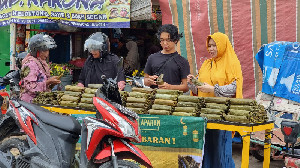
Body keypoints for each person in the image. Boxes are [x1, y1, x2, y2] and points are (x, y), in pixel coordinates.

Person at [187, 32, 243, 168]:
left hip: (221, 115)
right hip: (205, 115)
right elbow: (199, 90)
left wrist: (213, 90)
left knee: (221, 151)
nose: (211, 49)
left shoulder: (232, 63)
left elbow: (234, 88)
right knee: (206, 150)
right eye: (209, 46)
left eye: (214, 45)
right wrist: (192, 83)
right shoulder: (207, 64)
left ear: (222, 45)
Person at [144, 24, 190, 92]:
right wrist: (149, 81)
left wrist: (170, 87)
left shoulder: (182, 61)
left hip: (173, 100)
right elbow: (145, 81)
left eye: (168, 40)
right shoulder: (152, 58)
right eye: (162, 40)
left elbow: (186, 87)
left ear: (175, 40)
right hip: (154, 99)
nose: (165, 43)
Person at [20, 34, 61, 103]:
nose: (47, 54)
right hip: (30, 103)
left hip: (39, 100)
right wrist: (48, 82)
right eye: (45, 51)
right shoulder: (30, 64)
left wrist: (52, 83)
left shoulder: (40, 63)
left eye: (47, 50)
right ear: (37, 51)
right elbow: (30, 87)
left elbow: (42, 83)